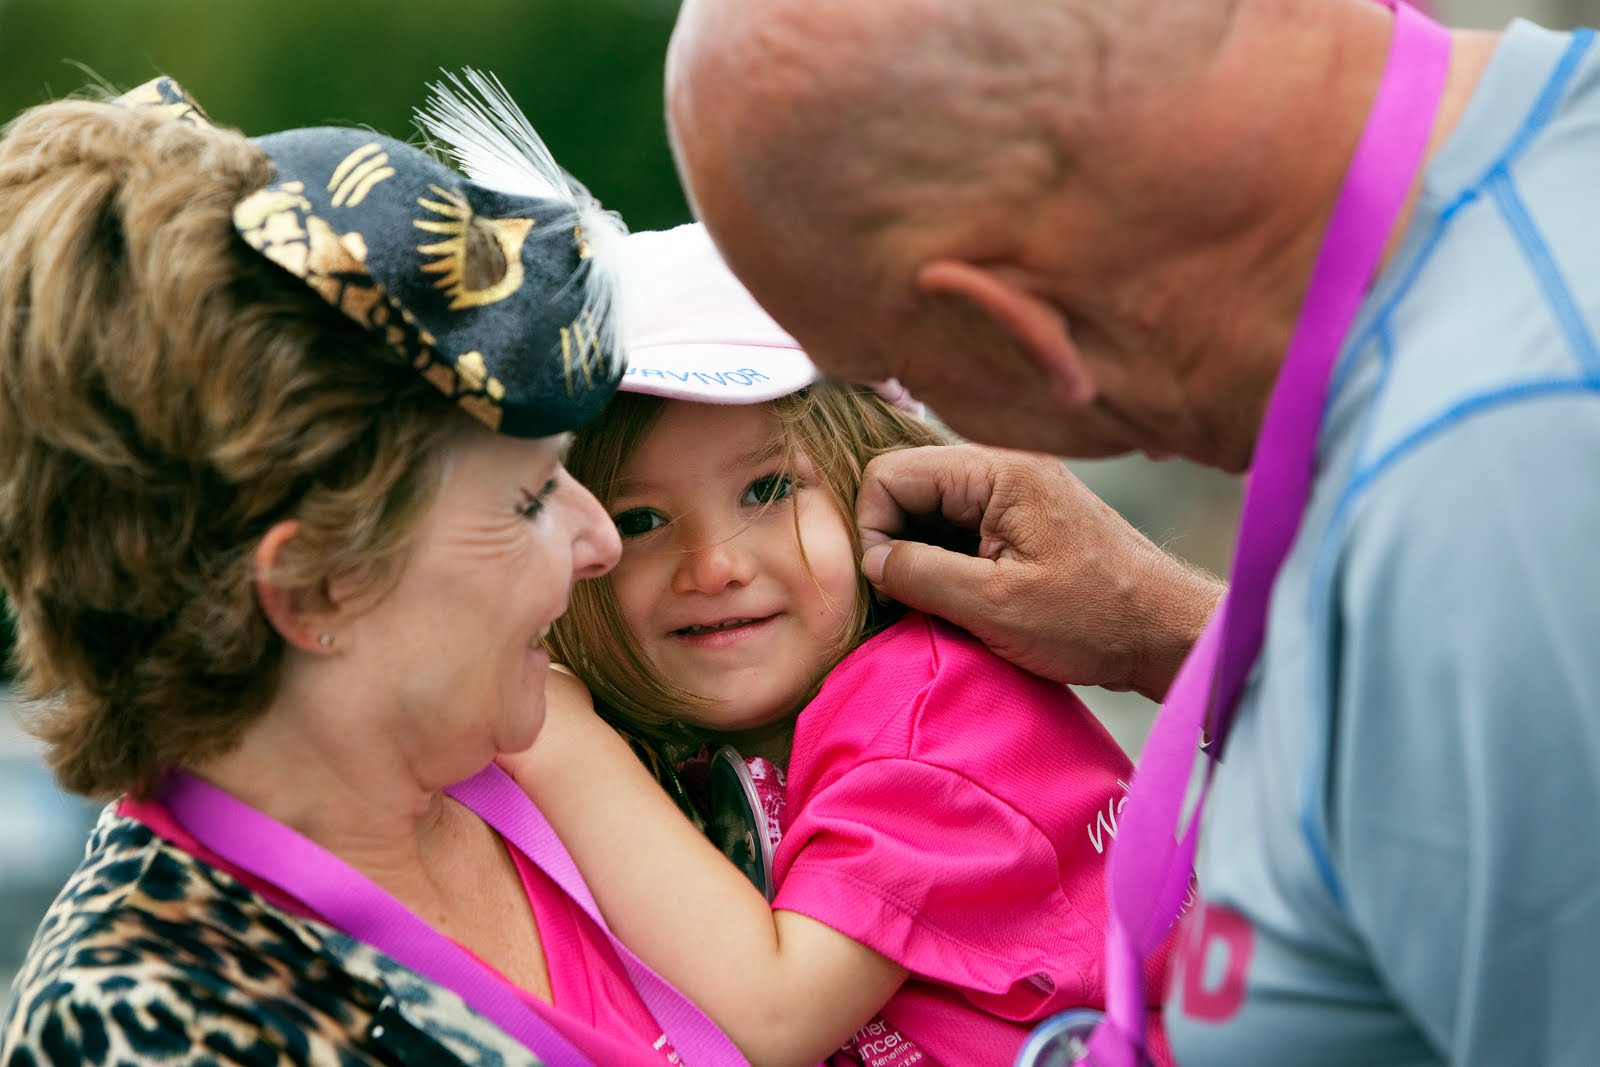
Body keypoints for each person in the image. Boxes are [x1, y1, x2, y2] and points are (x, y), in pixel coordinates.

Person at [663, 0, 1600, 1064]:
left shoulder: (1494, 484)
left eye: (907, 372)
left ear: (1014, 329)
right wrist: (1168, 628)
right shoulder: (1523, 248)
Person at [0, 76, 743, 1067]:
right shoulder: (154, 1023)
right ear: (311, 585)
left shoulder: (606, 744)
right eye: (527, 498)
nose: (602, 540)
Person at [515, 222, 1173, 1067]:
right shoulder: (695, 751)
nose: (714, 565)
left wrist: (558, 742)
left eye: (767, 488)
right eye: (640, 520)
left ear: (873, 479)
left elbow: (777, 1016)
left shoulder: (936, 717)